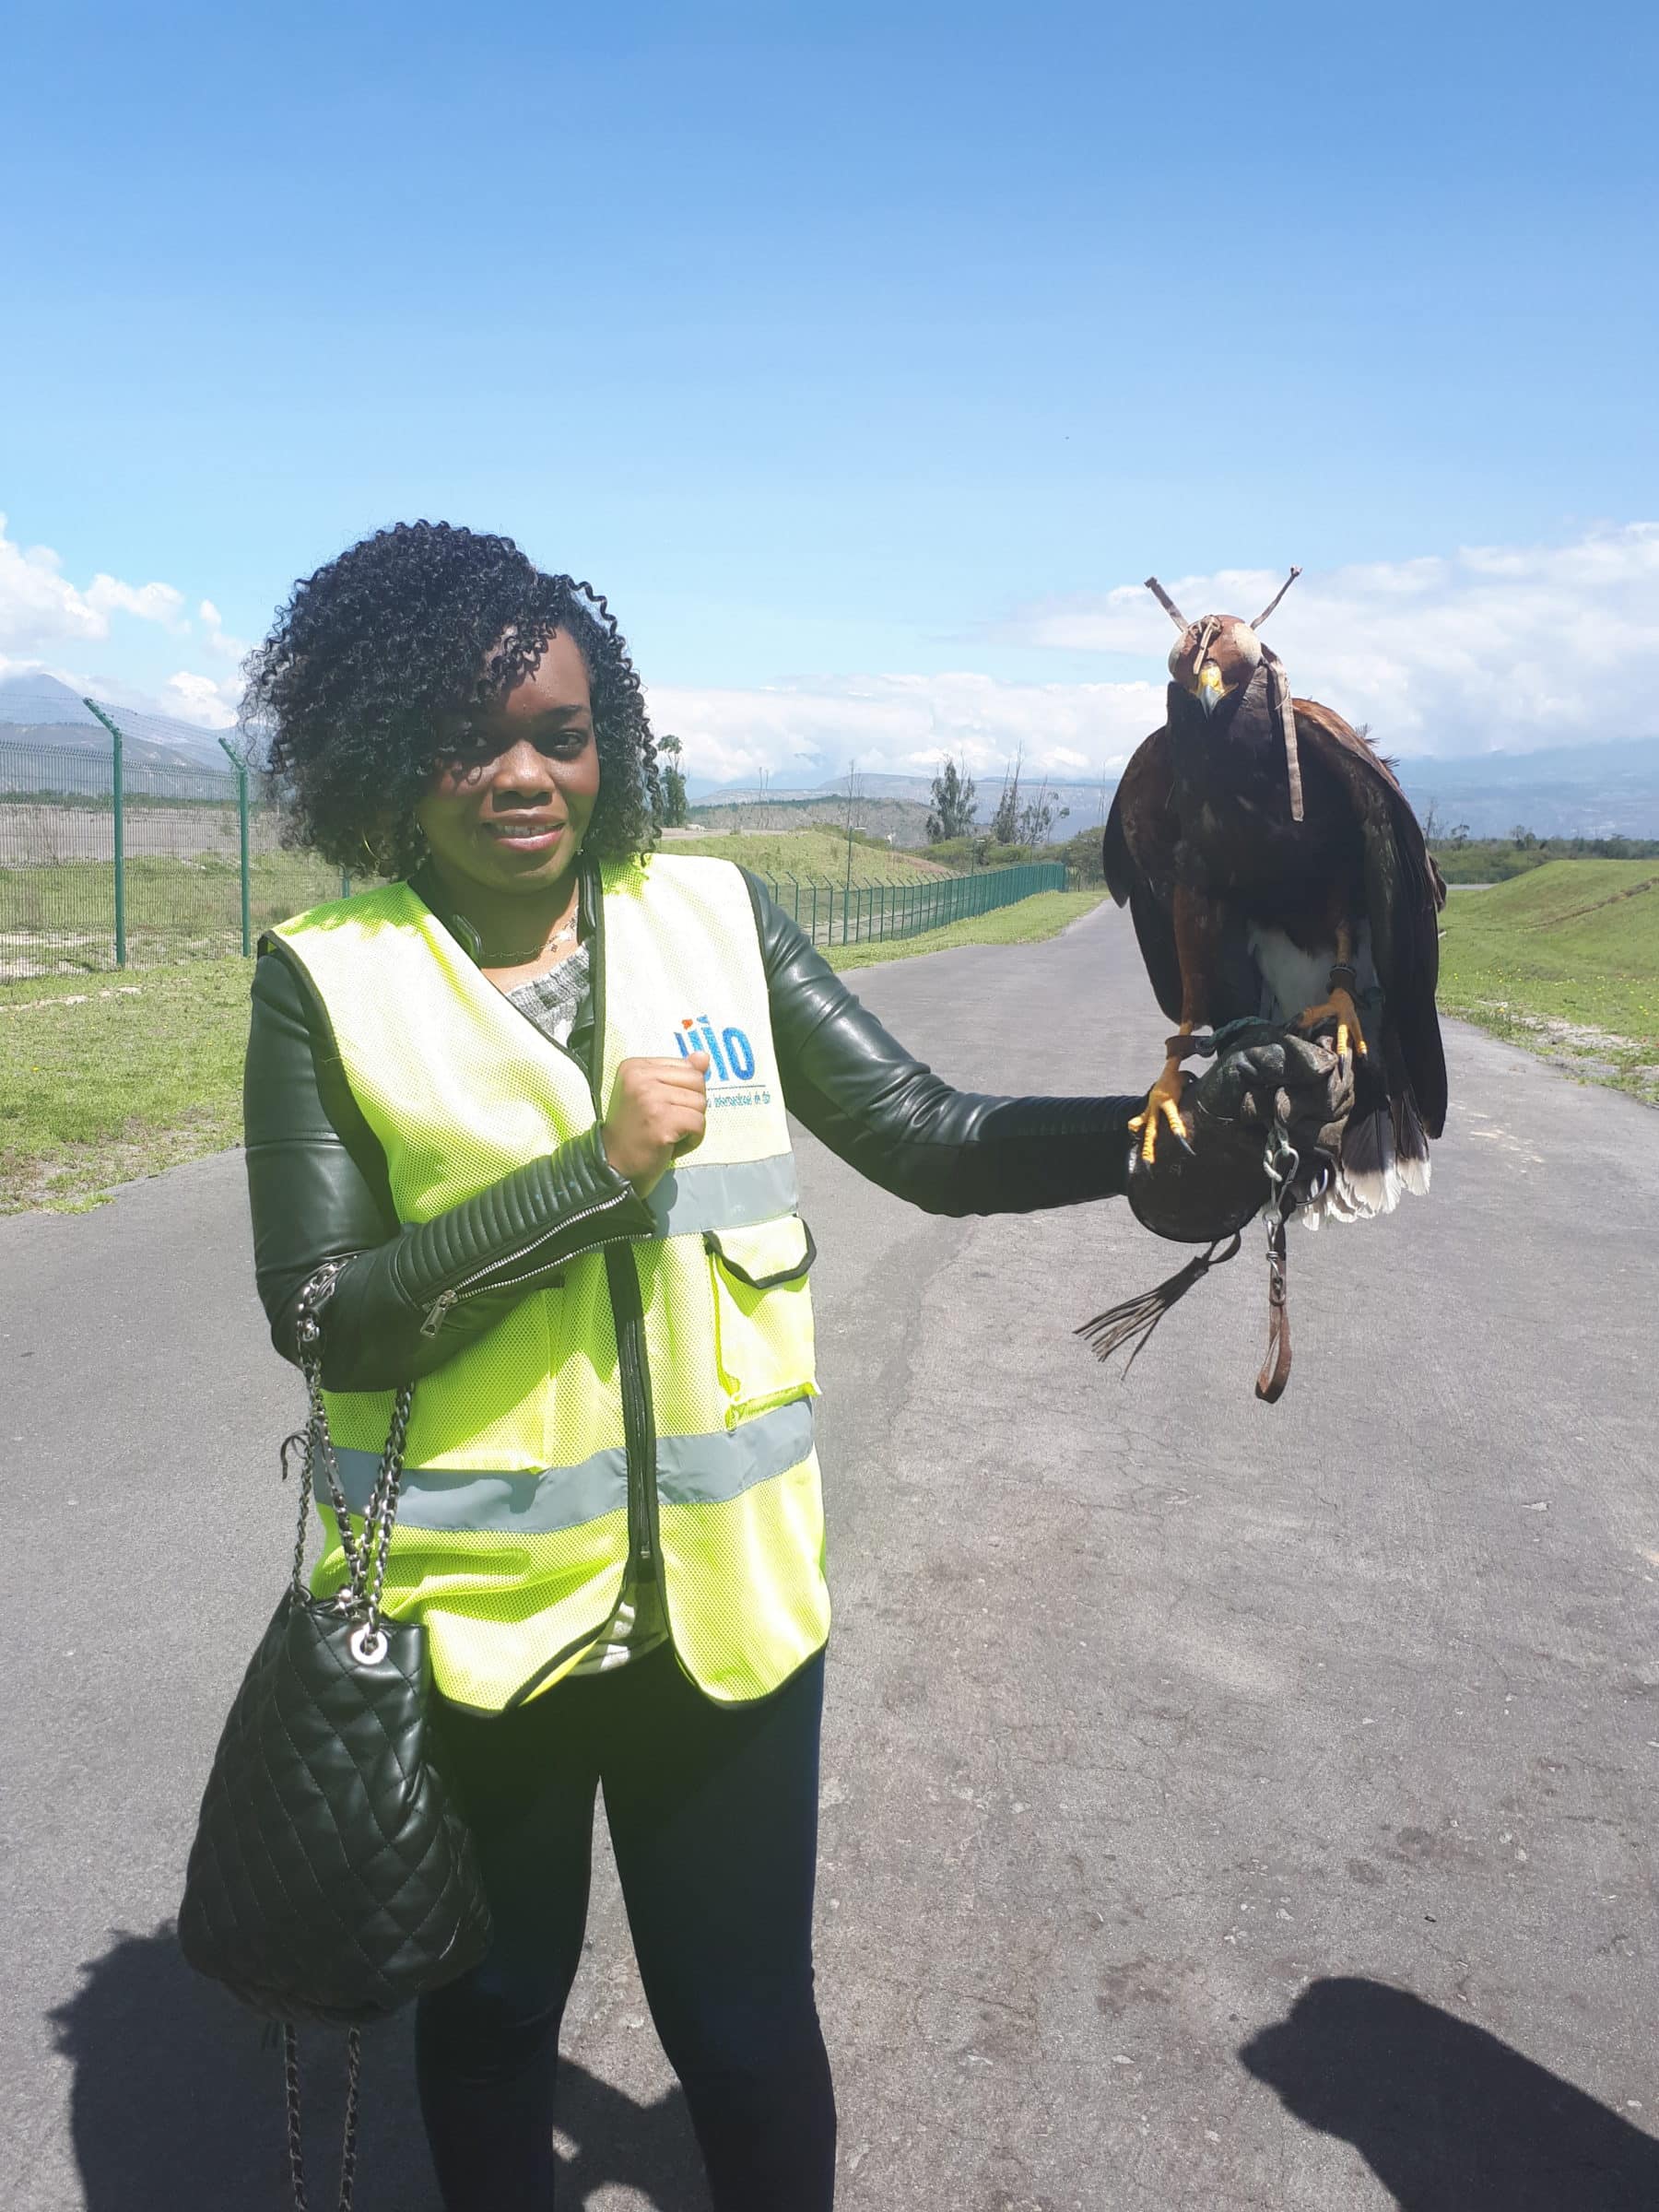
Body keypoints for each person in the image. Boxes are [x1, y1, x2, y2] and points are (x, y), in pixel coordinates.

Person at [240, 521, 1343, 2212]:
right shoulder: (331, 978)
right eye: (478, 740)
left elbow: (924, 1129)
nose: (529, 774)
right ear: (393, 753)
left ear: (617, 743)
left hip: (729, 1623)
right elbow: (327, 1315)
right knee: (488, 2023)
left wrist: (1149, 1136)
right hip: (470, 1633)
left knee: (749, 2039)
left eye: (567, 732)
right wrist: (584, 1181)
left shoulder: (713, 917)